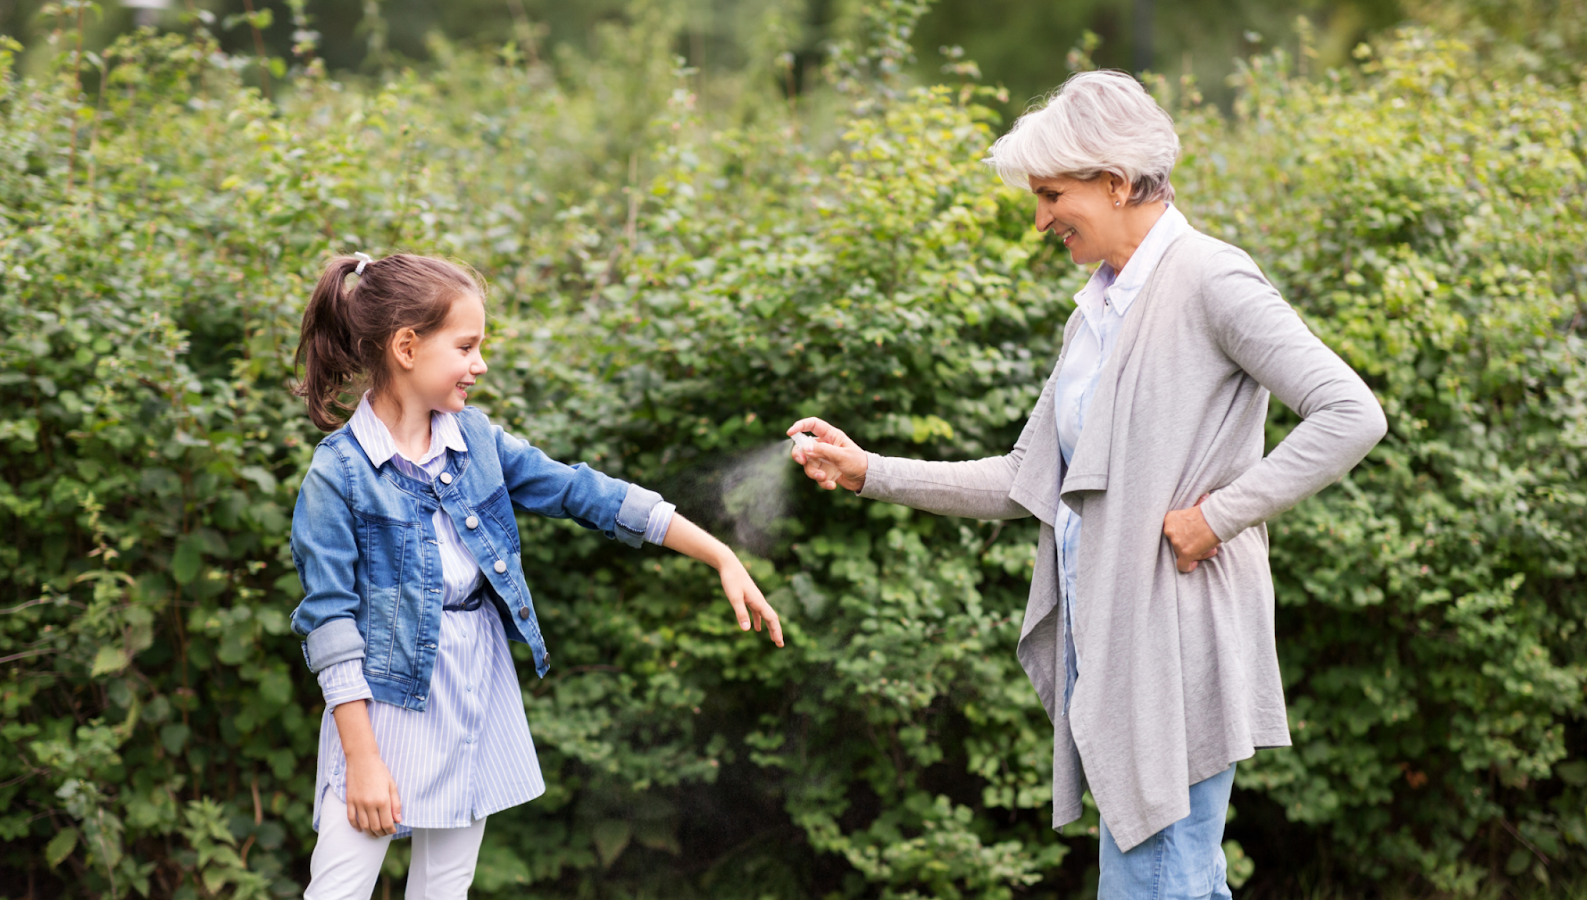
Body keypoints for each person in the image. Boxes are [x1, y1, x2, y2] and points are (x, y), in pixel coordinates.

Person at [789, 70, 1385, 899]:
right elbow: (1023, 480)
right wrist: (869, 472)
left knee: (1158, 880)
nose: (1039, 220)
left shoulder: (1211, 278)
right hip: (1112, 643)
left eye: (1050, 194)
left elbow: (1350, 412)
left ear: (1114, 180)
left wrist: (1219, 515)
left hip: (1171, 643)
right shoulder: (1096, 310)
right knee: (1177, 878)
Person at [289, 252, 784, 900]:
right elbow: (329, 624)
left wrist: (719, 552)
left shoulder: (480, 443)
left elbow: (586, 494)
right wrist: (362, 759)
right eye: (466, 346)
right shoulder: (338, 475)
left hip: (474, 685)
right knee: (338, 890)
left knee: (444, 890)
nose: (480, 364)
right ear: (407, 346)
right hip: (381, 710)